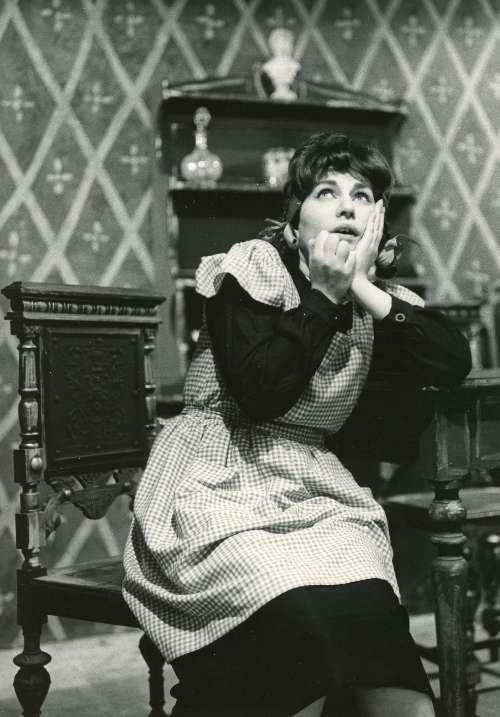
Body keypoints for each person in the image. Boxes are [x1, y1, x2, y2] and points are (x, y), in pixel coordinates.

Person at [123, 132, 471, 717]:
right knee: (290, 606)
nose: (346, 207)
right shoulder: (252, 268)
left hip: (313, 490)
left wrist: (357, 285)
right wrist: (325, 295)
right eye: (326, 193)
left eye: (362, 196)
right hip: (214, 479)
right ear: (293, 221)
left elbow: (452, 361)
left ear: (379, 221)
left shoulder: (379, 298)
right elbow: (262, 394)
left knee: (380, 631)